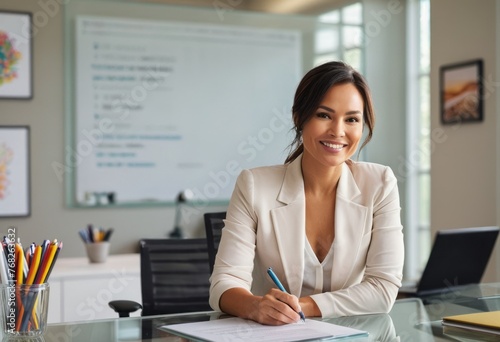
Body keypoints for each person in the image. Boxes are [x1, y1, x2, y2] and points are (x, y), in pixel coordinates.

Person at [209, 61, 404, 325]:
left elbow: (383, 290)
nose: (338, 131)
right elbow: (224, 284)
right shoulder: (254, 185)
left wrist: (303, 306)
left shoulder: (379, 184)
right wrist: (256, 306)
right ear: (299, 117)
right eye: (324, 115)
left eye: (352, 119)